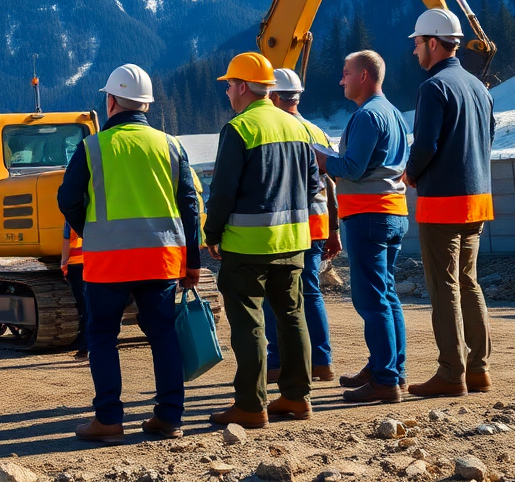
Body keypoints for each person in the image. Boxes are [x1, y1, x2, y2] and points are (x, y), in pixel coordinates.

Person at [58, 64, 202, 442]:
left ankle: (108, 420)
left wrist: (89, 230)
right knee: (163, 334)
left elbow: (67, 199)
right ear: (146, 105)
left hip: (109, 263)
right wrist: (193, 262)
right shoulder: (170, 145)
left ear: (111, 102)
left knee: (103, 334)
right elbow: (189, 204)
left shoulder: (93, 147)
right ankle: (169, 417)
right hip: (162, 260)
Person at [205, 53, 319, 429]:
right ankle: (297, 397)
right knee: (292, 317)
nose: (226, 93)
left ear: (241, 87)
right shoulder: (298, 127)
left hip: (248, 246)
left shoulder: (239, 129)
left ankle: (251, 406)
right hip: (294, 242)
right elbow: (314, 185)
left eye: (228, 86)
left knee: (249, 324)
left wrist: (212, 233)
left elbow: (222, 192)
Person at [403, 8, 495, 398]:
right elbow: (488, 136)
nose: (415, 51)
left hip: (442, 200)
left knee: (444, 287)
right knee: (468, 282)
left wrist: (410, 173)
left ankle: (450, 372)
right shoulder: (478, 87)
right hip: (477, 200)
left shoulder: (433, 88)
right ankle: (479, 369)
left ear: (435, 42)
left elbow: (425, 145)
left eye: (418, 43)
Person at [314, 52, 411, 403]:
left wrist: (323, 159)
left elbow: (352, 168)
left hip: (369, 214)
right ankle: (390, 370)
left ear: (365, 75)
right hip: (392, 211)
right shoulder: (394, 114)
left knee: (371, 300)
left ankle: (385, 379)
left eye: (346, 73)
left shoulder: (368, 115)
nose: (341, 80)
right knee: (386, 295)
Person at [264, 69, 340, 384]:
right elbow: (332, 185)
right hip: (318, 223)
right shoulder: (317, 132)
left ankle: (279, 360)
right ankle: (321, 362)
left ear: (272, 96)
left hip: (287, 224)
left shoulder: (275, 130)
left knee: (274, 291)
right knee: (310, 291)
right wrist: (334, 230)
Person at [59, 223, 90, 360]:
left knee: (83, 306)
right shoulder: (94, 214)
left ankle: (84, 345)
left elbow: (67, 241)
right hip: (93, 262)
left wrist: (63, 264)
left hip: (76, 264)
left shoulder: (70, 218)